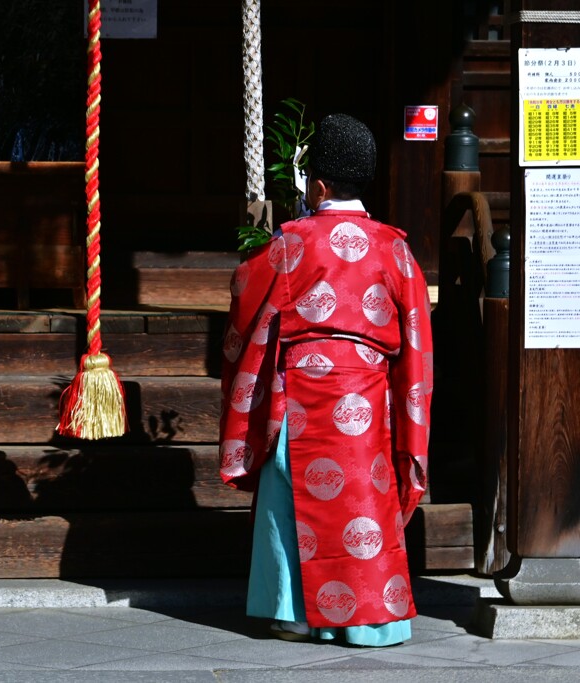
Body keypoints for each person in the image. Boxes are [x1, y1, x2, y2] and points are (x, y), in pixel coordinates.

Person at [219, 113, 433, 646]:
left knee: (288, 493)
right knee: (367, 497)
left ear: (317, 185)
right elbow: (416, 343)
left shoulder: (291, 242)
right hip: (368, 391)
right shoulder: (396, 249)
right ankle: (369, 624)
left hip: (299, 389)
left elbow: (246, 294)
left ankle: (292, 612)